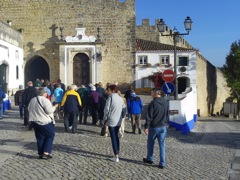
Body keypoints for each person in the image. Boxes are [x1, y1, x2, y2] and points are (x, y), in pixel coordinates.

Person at [28, 87, 58, 159]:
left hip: (35, 121)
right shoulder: (45, 100)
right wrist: (55, 107)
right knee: (50, 135)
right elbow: (49, 111)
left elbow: (29, 109)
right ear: (44, 93)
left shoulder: (32, 100)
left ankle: (40, 153)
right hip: (45, 121)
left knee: (40, 137)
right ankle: (46, 152)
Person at [143, 88, 169, 169]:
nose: (151, 94)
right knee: (162, 145)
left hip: (154, 127)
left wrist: (146, 126)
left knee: (150, 143)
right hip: (163, 126)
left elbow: (149, 116)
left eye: (151, 93)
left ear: (155, 93)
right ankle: (162, 163)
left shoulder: (153, 103)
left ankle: (150, 158)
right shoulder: (165, 102)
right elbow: (167, 114)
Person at [102, 84, 126, 162]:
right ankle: (117, 152)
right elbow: (124, 109)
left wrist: (104, 120)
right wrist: (121, 117)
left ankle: (116, 156)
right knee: (116, 137)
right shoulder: (120, 99)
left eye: (108, 90)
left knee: (113, 138)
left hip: (112, 120)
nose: (107, 92)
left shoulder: (110, 98)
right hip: (118, 121)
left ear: (112, 91)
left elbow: (106, 110)